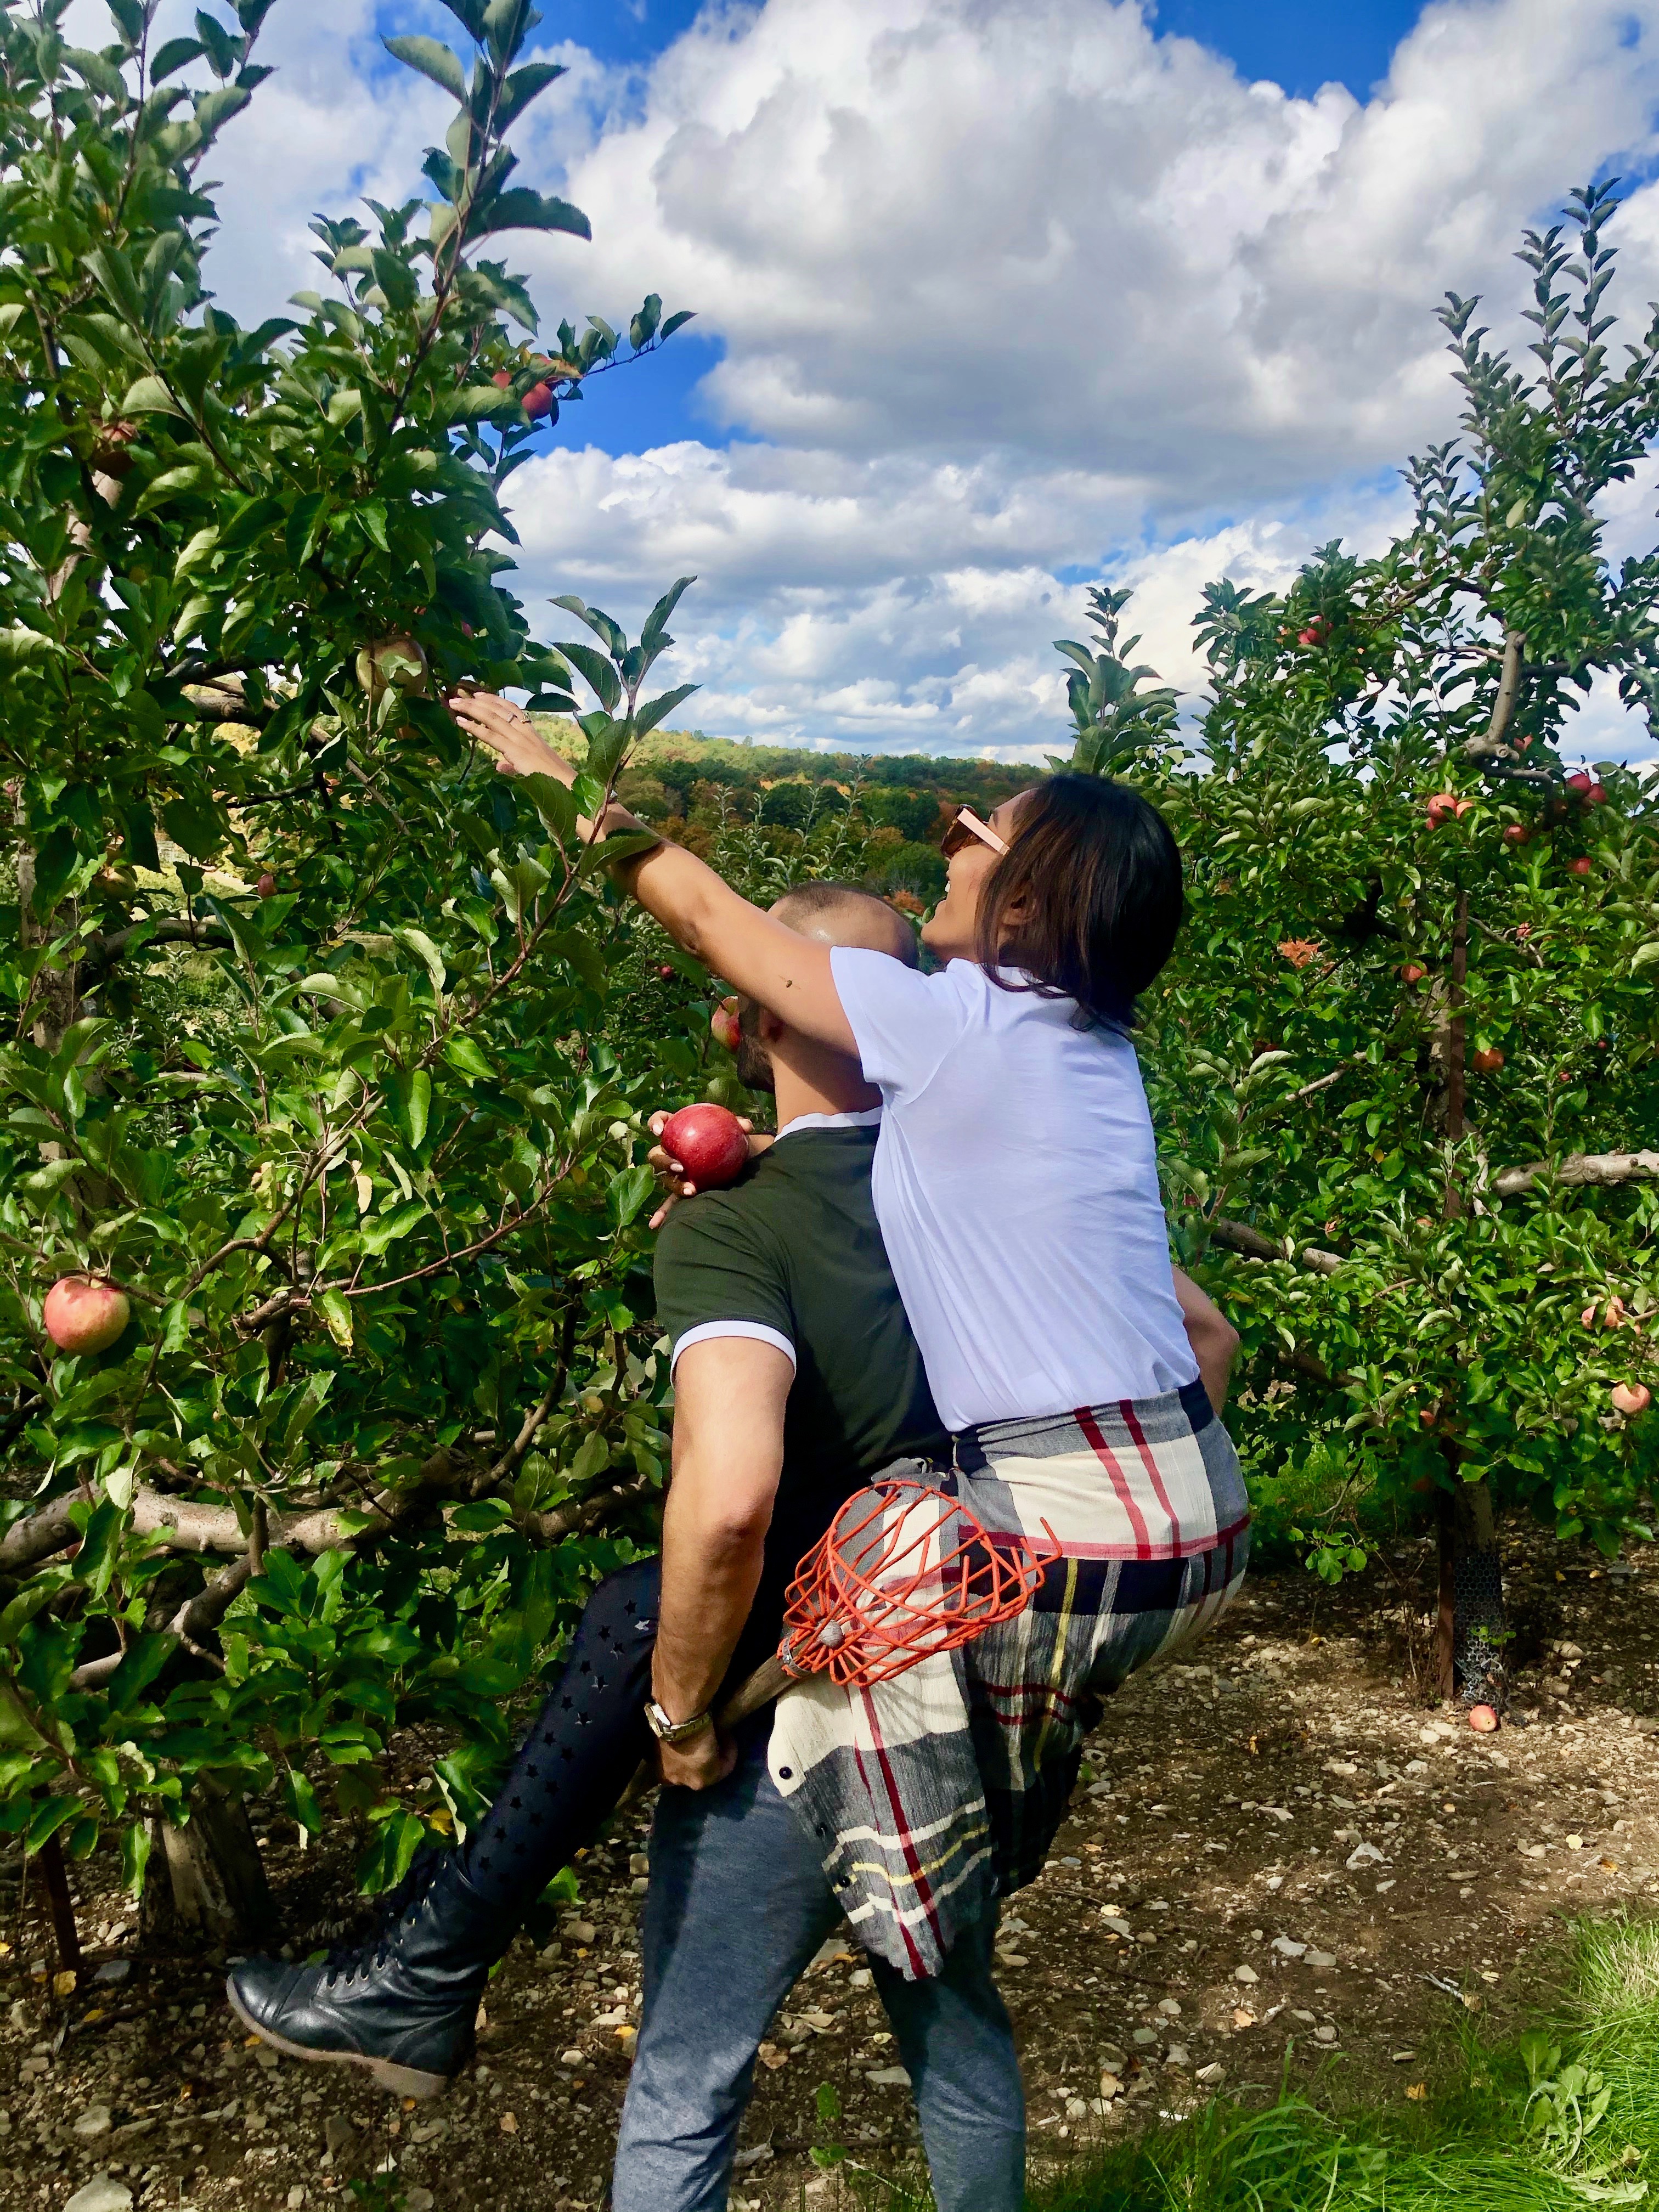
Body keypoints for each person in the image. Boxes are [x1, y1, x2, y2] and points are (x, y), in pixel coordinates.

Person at [225, 877, 1239, 2211]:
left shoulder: (736, 1221)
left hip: (806, 1708)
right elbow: (1207, 1339)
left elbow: (728, 1506)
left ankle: (427, 1972)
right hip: (991, 1681)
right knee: (954, 2038)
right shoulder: (997, 1184)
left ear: (752, 1020)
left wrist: (684, 1715)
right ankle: (426, 1966)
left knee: (685, 2079)